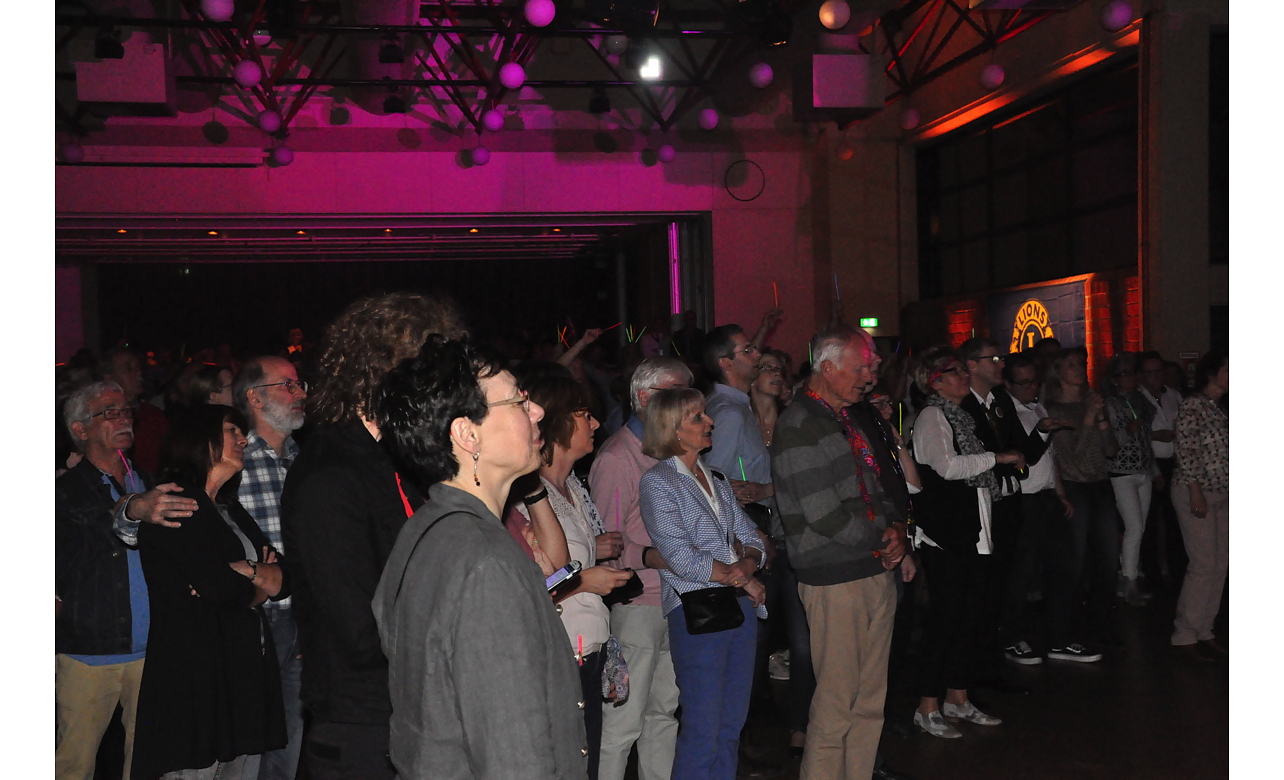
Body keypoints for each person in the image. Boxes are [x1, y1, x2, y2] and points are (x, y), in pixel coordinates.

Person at [371, 336, 589, 779]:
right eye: (518, 401)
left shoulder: (425, 528)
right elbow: (513, 752)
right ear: (467, 434)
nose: (537, 411)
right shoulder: (486, 561)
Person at [280, 291, 464, 780]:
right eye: (430, 374)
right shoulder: (331, 473)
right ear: (385, 372)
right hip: (362, 725)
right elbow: (360, 628)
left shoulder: (396, 461)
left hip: (409, 710)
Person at [771, 325, 907, 780]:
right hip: (835, 577)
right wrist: (881, 540)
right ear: (827, 368)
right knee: (835, 705)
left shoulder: (842, 418)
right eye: (861, 367)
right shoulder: (799, 425)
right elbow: (824, 516)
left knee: (868, 703)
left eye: (871, 366)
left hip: (869, 568)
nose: (870, 376)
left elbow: (876, 485)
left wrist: (895, 529)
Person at [131, 404, 289, 779]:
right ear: (199, 439)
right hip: (196, 675)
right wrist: (257, 582)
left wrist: (247, 572)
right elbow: (219, 588)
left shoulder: (229, 508)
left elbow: (284, 579)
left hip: (240, 670)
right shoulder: (176, 504)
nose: (243, 439)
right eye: (232, 430)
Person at [56, 381, 199, 780]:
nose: (123, 419)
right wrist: (129, 512)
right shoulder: (63, 490)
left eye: (126, 411)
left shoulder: (149, 482)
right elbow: (63, 560)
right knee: (73, 765)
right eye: (109, 412)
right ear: (80, 429)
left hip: (153, 649)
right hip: (89, 652)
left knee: (147, 762)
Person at [512, 366, 636, 780]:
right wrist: (585, 580)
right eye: (584, 414)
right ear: (557, 421)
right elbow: (526, 587)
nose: (596, 423)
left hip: (588, 647)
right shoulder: (528, 497)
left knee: (587, 763)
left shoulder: (573, 488)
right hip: (559, 652)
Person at [639, 388, 767, 780]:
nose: (709, 421)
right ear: (672, 429)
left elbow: (754, 537)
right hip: (697, 610)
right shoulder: (658, 482)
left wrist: (748, 564)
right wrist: (740, 575)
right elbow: (680, 557)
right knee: (703, 728)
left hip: (739, 607)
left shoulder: (716, 478)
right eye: (697, 417)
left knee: (731, 725)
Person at [909, 347, 1023, 739]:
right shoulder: (932, 415)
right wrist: (997, 458)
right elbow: (946, 466)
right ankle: (927, 705)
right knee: (946, 619)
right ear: (934, 381)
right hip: (947, 535)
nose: (962, 376)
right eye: (953, 371)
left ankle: (958, 697)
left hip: (971, 531)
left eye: (962, 370)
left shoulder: (961, 417)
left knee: (969, 617)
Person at [589, 357, 693, 780]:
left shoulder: (668, 452)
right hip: (636, 604)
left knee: (662, 714)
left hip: (672, 599)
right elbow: (605, 544)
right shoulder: (619, 457)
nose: (687, 403)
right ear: (645, 397)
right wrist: (655, 555)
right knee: (622, 723)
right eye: (677, 392)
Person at [957, 337, 1054, 670]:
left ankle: (1003, 644)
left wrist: (1042, 431)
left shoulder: (999, 399)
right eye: (993, 359)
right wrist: (1004, 459)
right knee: (983, 581)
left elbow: (1022, 451)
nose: (1000, 364)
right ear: (972, 365)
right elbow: (969, 459)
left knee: (1009, 575)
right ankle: (980, 656)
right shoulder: (961, 404)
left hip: (1010, 499)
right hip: (980, 503)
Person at [233, 356, 308, 780]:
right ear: (255, 398)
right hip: (258, 618)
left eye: (300, 385)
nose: (299, 394)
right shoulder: (234, 458)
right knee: (251, 742)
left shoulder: (304, 458)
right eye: (288, 385)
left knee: (289, 739)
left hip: (303, 614)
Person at [1002, 355, 1094, 663]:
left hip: (1046, 497)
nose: (1031, 388)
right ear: (1008, 384)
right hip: (1023, 499)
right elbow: (1023, 455)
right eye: (1023, 383)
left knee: (1063, 568)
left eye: (1034, 381)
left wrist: (1060, 493)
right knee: (1021, 573)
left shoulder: (1038, 407)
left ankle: (1060, 638)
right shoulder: (1004, 413)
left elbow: (1048, 457)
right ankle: (1013, 638)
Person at [1043, 348, 1120, 654]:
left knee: (1108, 560)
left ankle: (1102, 626)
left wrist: (1101, 420)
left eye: (1082, 364)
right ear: (1058, 371)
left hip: (1100, 484)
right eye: (1072, 365)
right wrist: (1089, 419)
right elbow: (1072, 456)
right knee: (1073, 563)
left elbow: (1111, 450)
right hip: (1074, 486)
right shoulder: (1053, 409)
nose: (1079, 369)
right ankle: (1065, 630)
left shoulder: (1092, 401)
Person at [1170, 351, 1229, 662]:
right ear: (1212, 373)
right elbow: (1187, 450)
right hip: (1197, 490)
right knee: (1204, 564)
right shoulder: (1193, 405)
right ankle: (1185, 633)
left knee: (1220, 564)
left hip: (1223, 492)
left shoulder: (1221, 407)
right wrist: (1195, 492)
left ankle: (1205, 629)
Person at [1102, 353, 1159, 607]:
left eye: (1132, 372)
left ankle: (1127, 575)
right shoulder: (1110, 404)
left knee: (1139, 528)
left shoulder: (1140, 400)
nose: (1130, 377)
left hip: (1143, 470)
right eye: (1124, 373)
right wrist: (1127, 431)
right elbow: (1108, 442)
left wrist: (1154, 470)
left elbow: (1147, 438)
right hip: (1121, 472)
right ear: (1114, 378)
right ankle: (1129, 581)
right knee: (1134, 527)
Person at [1137, 351, 1183, 585]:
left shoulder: (1174, 395)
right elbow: (1131, 433)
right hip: (1149, 463)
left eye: (1159, 372)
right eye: (1150, 373)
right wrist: (1156, 435)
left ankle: (1177, 569)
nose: (1155, 377)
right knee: (1150, 520)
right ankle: (1152, 572)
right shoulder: (1136, 398)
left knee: (1176, 518)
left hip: (1174, 462)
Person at [102, 347, 169, 473]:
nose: (138, 372)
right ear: (108, 377)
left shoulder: (154, 415)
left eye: (138, 367)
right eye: (128, 368)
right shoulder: (99, 419)